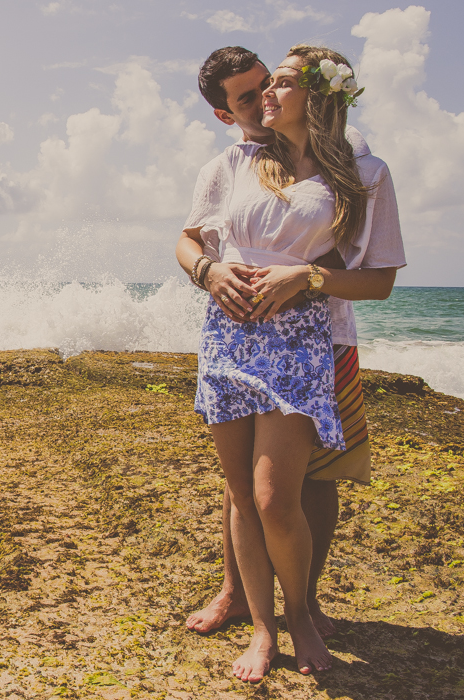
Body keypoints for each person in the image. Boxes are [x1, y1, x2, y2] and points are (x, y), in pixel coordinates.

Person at [175, 45, 405, 680]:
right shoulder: (238, 161)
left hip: (318, 334)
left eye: (271, 85)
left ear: (318, 94)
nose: (262, 100)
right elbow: (191, 236)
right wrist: (209, 269)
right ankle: (253, 610)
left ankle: (302, 606)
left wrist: (303, 277)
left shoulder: (360, 168)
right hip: (230, 333)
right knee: (246, 490)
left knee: (302, 486)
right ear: (228, 113)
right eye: (249, 95)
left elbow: (375, 274)